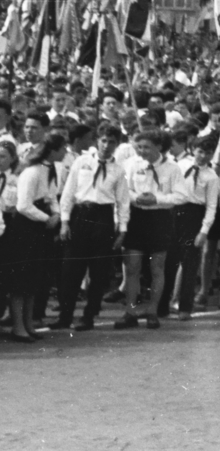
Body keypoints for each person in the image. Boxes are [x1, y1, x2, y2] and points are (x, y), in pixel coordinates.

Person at [54, 123, 127, 331]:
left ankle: (89, 316)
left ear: (117, 145)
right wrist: (65, 221)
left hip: (103, 217)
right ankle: (65, 316)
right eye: (103, 141)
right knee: (71, 270)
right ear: (97, 141)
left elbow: (123, 202)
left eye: (111, 142)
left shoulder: (118, 170)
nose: (106, 145)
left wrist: (122, 230)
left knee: (98, 272)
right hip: (80, 214)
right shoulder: (81, 162)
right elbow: (68, 192)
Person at [114, 130, 179, 330]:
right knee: (132, 267)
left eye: (146, 147)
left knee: (156, 268)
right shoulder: (132, 164)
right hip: (136, 218)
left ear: (159, 147)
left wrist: (157, 199)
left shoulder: (172, 168)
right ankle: (130, 312)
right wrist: (136, 198)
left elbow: (181, 196)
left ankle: (152, 311)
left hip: (160, 220)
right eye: (139, 147)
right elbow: (124, 190)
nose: (142, 151)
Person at [9, 133, 66, 341]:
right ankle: (18, 326)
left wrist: (57, 213)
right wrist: (46, 218)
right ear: (53, 150)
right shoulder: (32, 172)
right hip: (25, 228)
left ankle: (28, 323)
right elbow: (23, 205)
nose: (65, 152)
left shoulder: (50, 170)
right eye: (62, 148)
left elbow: (51, 196)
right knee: (21, 280)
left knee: (34, 279)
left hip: (40, 227)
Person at [160, 132, 219, 320]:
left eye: (208, 153)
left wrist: (204, 231)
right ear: (193, 150)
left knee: (190, 264)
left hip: (194, 217)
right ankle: (162, 306)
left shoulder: (211, 177)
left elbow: (211, 206)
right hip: (174, 213)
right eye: (200, 151)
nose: (203, 156)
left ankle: (185, 306)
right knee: (168, 262)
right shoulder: (180, 166)